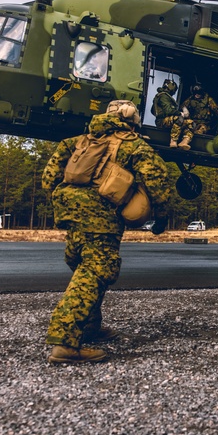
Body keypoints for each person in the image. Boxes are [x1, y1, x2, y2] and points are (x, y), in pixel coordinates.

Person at [41, 100, 170, 364]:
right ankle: (65, 341)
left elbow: (48, 179)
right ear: (132, 121)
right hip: (101, 216)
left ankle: (89, 327)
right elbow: (158, 184)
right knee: (97, 270)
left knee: (83, 264)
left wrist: (71, 203)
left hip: (69, 212)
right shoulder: (134, 146)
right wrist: (162, 217)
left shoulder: (76, 142)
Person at [151, 79, 194, 150]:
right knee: (178, 118)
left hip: (168, 120)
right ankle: (173, 141)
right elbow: (168, 110)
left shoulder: (166, 96)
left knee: (191, 123)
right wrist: (180, 113)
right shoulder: (163, 96)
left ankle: (184, 142)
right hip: (162, 121)